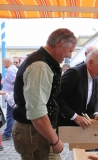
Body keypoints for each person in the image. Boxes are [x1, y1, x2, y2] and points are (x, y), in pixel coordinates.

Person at [12, 28, 77, 160]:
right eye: (70, 51)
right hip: (34, 132)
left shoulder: (41, 60)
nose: (70, 55)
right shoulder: (40, 65)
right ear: (59, 45)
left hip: (36, 130)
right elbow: (37, 112)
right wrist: (55, 140)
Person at [57, 49, 98, 128]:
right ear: (90, 63)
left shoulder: (96, 77)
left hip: (84, 126)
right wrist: (75, 117)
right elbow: (58, 97)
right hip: (67, 124)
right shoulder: (74, 73)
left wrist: (97, 113)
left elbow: (96, 98)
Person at [2, 57, 18, 141]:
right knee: (11, 115)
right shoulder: (13, 69)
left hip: (11, 96)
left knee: (10, 115)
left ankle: (8, 133)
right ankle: (10, 132)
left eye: (3, 62)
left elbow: (16, 82)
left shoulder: (11, 70)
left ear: (8, 62)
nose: (2, 63)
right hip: (12, 95)